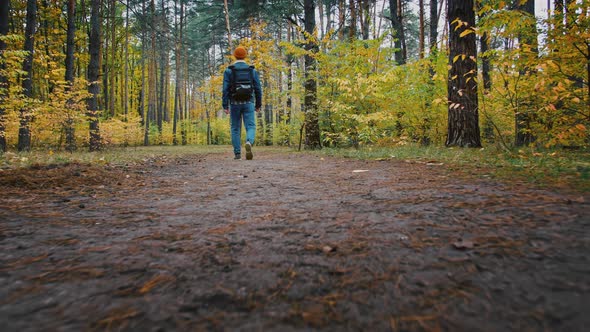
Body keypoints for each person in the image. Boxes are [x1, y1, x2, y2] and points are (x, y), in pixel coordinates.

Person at [222, 46, 262, 160]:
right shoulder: (251, 70)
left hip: (234, 103)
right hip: (248, 102)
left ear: (235, 56)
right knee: (251, 126)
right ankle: (249, 142)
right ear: (245, 56)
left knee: (235, 128)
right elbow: (258, 88)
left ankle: (237, 153)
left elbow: (225, 89)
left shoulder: (229, 70)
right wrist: (258, 104)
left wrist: (225, 105)